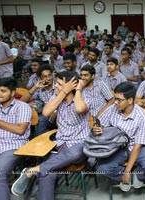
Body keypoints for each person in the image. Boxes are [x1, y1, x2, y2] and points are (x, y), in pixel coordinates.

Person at [11, 71, 92, 199]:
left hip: (80, 144)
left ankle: (32, 171)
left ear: (71, 86)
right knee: (47, 174)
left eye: (59, 84)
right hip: (60, 145)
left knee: (75, 153)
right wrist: (63, 92)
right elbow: (46, 112)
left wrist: (77, 90)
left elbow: (79, 109)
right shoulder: (57, 98)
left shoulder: (83, 97)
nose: (56, 87)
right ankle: (35, 172)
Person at [95, 82, 145, 192]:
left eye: (119, 100)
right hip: (119, 146)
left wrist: (127, 170)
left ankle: (135, 174)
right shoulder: (112, 109)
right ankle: (131, 177)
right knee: (102, 169)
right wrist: (97, 129)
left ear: (130, 100)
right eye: (115, 99)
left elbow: (137, 146)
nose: (116, 102)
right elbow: (100, 124)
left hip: (141, 146)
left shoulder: (143, 117)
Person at [0, 77, 32, 200]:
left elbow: (20, 130)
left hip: (13, 146)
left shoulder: (22, 107)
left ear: (12, 93)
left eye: (3, 91)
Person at [21, 64, 56, 134]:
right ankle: (36, 141)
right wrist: (35, 87)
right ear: (40, 78)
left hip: (60, 115)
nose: (48, 78)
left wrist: (56, 111)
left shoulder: (58, 85)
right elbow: (22, 101)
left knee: (41, 119)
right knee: (38, 118)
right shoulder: (39, 89)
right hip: (48, 117)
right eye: (45, 76)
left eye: (50, 75)